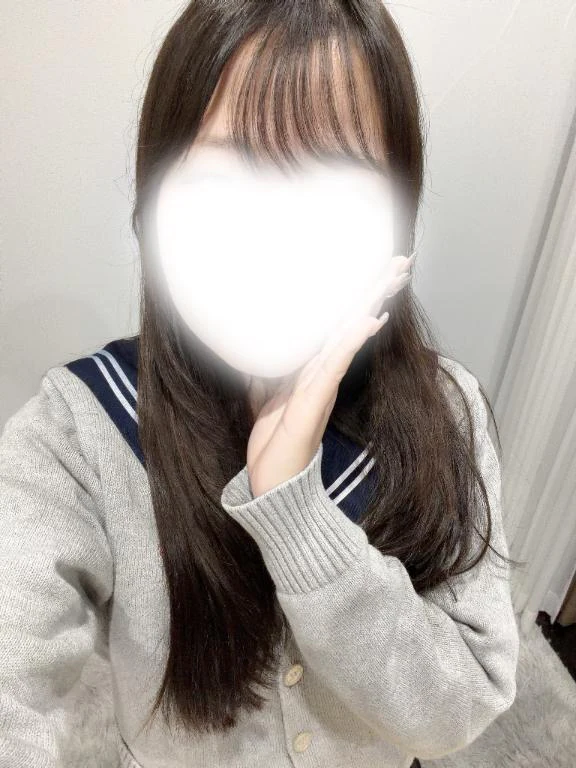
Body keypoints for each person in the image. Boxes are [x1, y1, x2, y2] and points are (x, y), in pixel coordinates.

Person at [0, 2, 521, 767]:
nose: (278, 237)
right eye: (228, 175)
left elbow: (462, 705)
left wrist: (297, 513)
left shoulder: (447, 412)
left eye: (334, 179)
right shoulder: (81, 430)